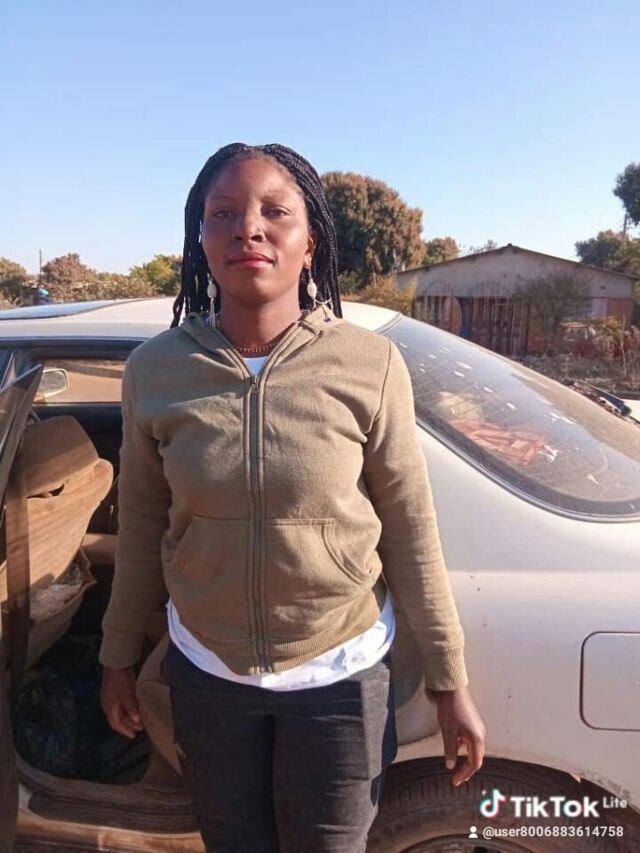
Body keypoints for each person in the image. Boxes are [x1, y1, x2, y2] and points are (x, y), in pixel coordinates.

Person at [99, 142, 486, 852]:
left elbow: (410, 525)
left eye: (275, 212)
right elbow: (144, 523)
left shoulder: (368, 364)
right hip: (208, 676)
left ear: (310, 245)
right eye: (223, 213)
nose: (248, 227)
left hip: (340, 680)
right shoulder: (155, 370)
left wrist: (449, 679)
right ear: (201, 239)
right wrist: (117, 653)